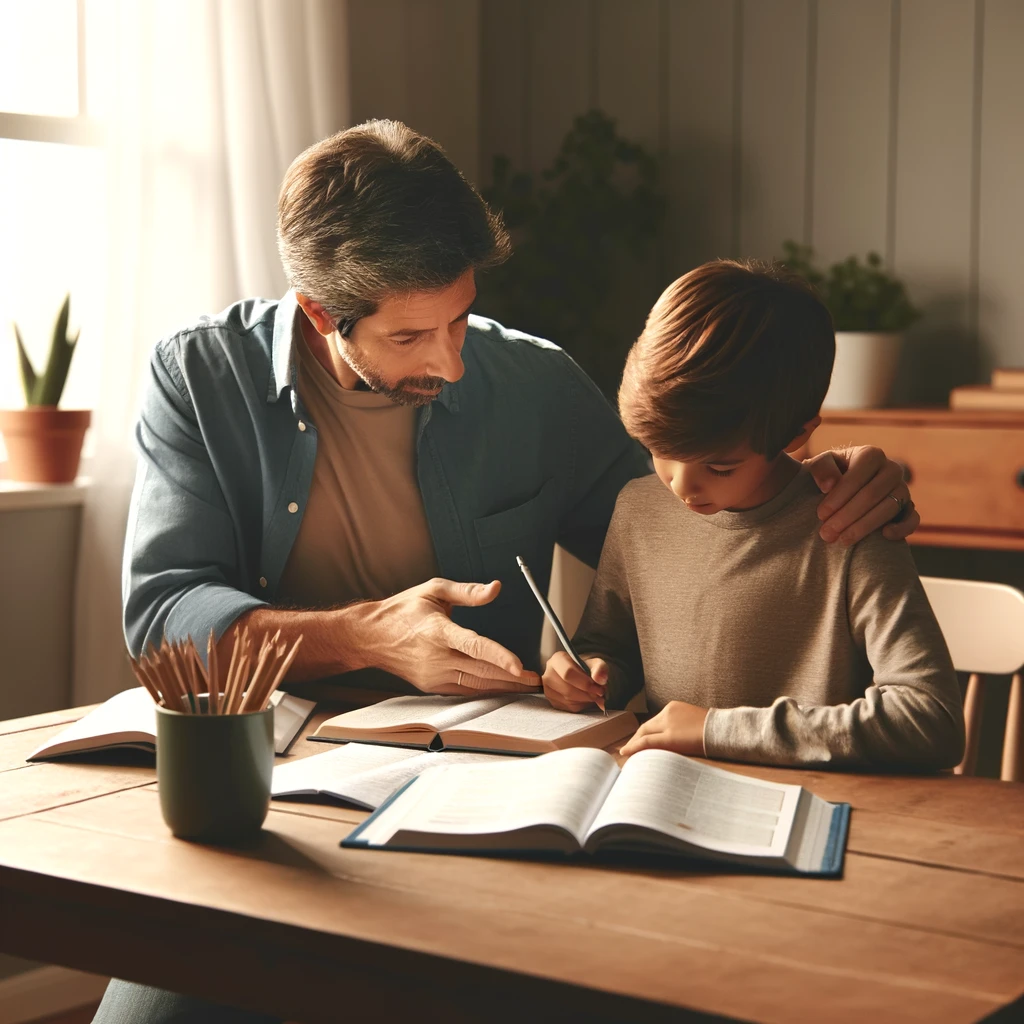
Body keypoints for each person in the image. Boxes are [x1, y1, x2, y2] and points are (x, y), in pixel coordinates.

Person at [100, 123, 919, 1023]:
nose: (452, 362)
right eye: (413, 336)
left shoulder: (536, 385)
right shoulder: (199, 378)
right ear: (321, 312)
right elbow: (165, 617)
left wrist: (839, 482)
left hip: (482, 806)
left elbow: (690, 521)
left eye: (461, 317)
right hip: (266, 793)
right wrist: (366, 636)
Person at [543, 260, 965, 772]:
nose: (681, 484)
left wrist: (715, 731)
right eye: (658, 449)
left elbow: (931, 718)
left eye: (719, 466)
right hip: (665, 796)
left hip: (810, 807)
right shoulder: (637, 508)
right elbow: (608, 644)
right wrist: (588, 671)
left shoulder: (851, 522)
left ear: (796, 434)